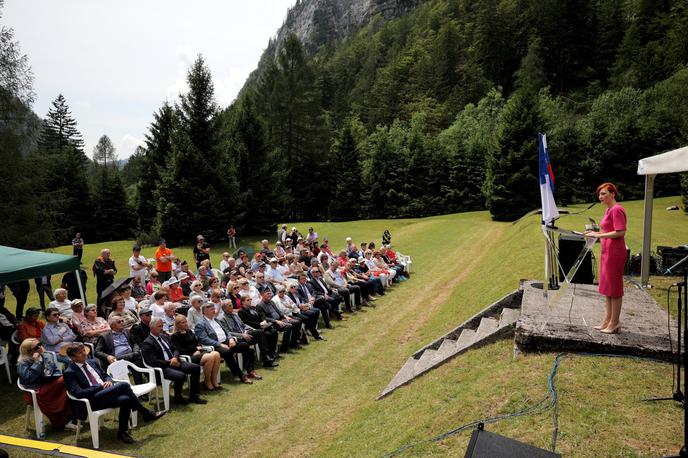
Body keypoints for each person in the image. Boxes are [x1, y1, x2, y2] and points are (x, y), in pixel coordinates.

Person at [63, 342, 165, 444]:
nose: (84, 353)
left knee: (126, 399)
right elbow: (79, 393)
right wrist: (100, 386)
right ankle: (146, 413)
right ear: (72, 357)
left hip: (106, 393)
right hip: (92, 401)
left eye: (84, 351)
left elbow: (105, 376)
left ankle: (122, 433)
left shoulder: (92, 362)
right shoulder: (70, 372)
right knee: (124, 385)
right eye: (80, 353)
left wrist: (109, 381)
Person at [585, 182, 628, 334]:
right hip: (606, 252)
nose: (600, 196)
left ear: (613, 194)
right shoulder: (609, 210)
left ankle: (614, 322)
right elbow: (606, 229)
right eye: (599, 194)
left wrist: (598, 235)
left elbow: (620, 231)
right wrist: (593, 232)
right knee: (608, 288)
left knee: (615, 289)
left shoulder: (617, 210)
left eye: (603, 194)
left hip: (615, 253)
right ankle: (607, 320)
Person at [141, 318, 206, 405]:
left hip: (174, 362)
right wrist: (169, 362)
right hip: (162, 367)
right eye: (159, 326)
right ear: (151, 328)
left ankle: (194, 396)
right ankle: (178, 397)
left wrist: (175, 357)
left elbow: (175, 349)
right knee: (180, 376)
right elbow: (152, 361)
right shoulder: (147, 343)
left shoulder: (164, 337)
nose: (161, 328)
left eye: (162, 326)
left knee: (195, 368)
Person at [17, 339, 75, 432]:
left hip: (47, 384)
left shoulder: (44, 355)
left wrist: (47, 357)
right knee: (65, 381)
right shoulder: (23, 363)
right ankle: (62, 420)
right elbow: (29, 379)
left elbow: (53, 369)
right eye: (36, 347)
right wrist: (37, 363)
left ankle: (70, 417)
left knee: (69, 379)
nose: (40, 347)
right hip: (37, 389)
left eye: (40, 344)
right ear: (29, 351)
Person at [195, 303, 257, 383]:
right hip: (214, 345)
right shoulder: (200, 323)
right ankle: (241, 375)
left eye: (214, 309)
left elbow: (226, 331)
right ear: (205, 312)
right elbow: (204, 339)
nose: (214, 311)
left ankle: (250, 371)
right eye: (212, 309)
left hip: (226, 342)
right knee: (227, 352)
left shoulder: (216, 320)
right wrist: (219, 344)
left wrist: (230, 339)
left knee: (244, 345)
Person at [217, 300, 278, 367]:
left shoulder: (234, 315)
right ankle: (266, 357)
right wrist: (242, 335)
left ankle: (266, 356)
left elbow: (243, 325)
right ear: (224, 308)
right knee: (260, 333)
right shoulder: (222, 318)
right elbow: (227, 332)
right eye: (230, 305)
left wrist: (251, 330)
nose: (232, 307)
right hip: (237, 339)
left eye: (232, 305)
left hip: (245, 334)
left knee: (260, 332)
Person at [171, 314, 222, 391]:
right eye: (183, 322)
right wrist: (194, 349)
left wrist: (197, 349)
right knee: (209, 357)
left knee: (216, 354)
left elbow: (197, 342)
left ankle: (214, 380)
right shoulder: (175, 336)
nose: (185, 324)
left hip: (197, 353)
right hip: (188, 357)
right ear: (177, 324)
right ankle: (207, 382)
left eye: (186, 322)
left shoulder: (189, 331)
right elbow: (179, 350)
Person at [94, 315, 145, 384]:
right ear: (113, 325)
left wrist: (136, 350)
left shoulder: (127, 332)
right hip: (117, 359)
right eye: (119, 322)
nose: (122, 323)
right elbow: (97, 352)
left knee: (140, 360)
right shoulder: (105, 336)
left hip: (132, 356)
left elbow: (135, 343)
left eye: (122, 321)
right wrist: (107, 356)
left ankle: (144, 387)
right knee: (135, 358)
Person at [257, 289, 301, 353]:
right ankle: (284, 348)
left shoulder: (271, 302)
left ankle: (293, 343)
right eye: (267, 294)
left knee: (297, 322)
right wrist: (276, 321)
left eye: (270, 293)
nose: (269, 295)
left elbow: (278, 311)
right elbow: (264, 318)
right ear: (262, 295)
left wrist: (285, 316)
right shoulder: (260, 305)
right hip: (272, 323)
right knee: (289, 326)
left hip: (280, 319)